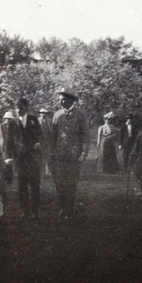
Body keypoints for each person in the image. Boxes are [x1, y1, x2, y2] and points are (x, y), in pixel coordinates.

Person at [51, 89, 90, 220]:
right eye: (59, 99)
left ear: (70, 100)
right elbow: (53, 135)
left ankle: (69, 210)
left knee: (71, 183)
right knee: (59, 182)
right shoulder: (57, 115)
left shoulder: (80, 115)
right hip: (59, 155)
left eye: (63, 99)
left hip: (74, 155)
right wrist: (51, 152)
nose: (60, 102)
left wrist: (84, 152)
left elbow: (85, 135)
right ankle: (63, 207)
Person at [7, 97, 43, 220]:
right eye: (17, 108)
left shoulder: (34, 120)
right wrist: (8, 158)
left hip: (33, 157)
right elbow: (9, 141)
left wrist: (38, 143)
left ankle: (35, 212)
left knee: (35, 185)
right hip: (19, 159)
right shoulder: (12, 122)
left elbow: (40, 135)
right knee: (22, 186)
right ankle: (25, 211)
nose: (19, 110)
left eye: (21, 108)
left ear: (26, 108)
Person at [1, 110, 16, 185]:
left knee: (10, 163)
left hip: (11, 146)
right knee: (4, 163)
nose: (8, 120)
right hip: (3, 146)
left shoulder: (13, 126)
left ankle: (9, 180)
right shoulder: (2, 126)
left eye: (9, 119)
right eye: (7, 119)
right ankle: (5, 178)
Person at [38, 108, 54, 177]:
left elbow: (51, 130)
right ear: (40, 114)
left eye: (44, 113)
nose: (43, 114)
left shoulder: (49, 121)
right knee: (40, 155)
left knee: (48, 155)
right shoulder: (37, 121)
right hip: (40, 141)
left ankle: (48, 171)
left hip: (48, 141)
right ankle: (41, 171)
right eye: (42, 113)